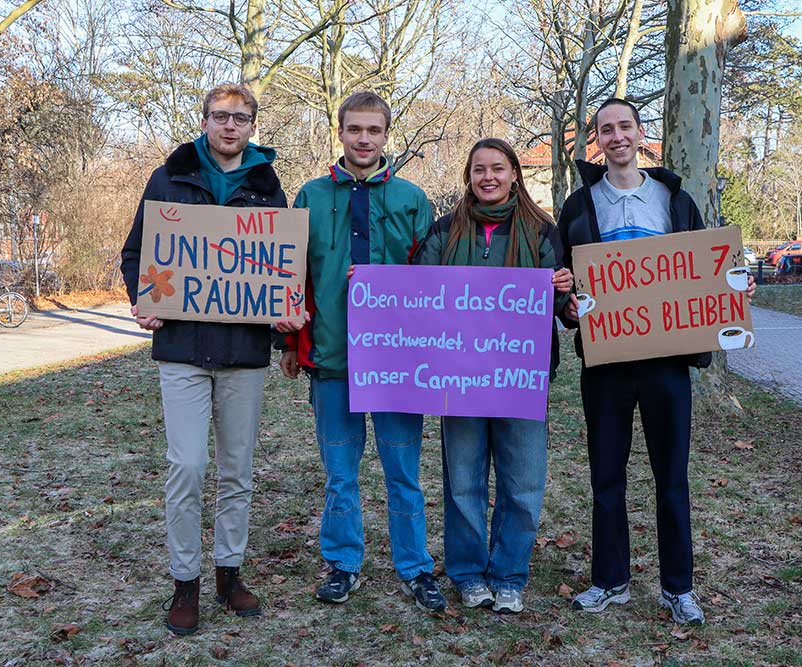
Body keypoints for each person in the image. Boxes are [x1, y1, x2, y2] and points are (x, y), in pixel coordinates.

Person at [557, 98, 755, 626]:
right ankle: (609, 581)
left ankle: (678, 587)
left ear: (641, 134)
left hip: (667, 362)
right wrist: (569, 308)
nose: (616, 136)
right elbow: (564, 283)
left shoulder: (675, 200)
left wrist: (734, 288)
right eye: (606, 129)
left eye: (625, 126)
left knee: (671, 477)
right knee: (606, 477)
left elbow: (706, 272)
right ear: (595, 141)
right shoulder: (578, 207)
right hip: (605, 365)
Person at [121, 83, 288, 635]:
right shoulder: (170, 176)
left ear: (252, 125)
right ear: (206, 121)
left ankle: (229, 573)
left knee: (237, 471)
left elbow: (282, 264)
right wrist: (143, 300)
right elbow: (136, 253)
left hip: (243, 353)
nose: (230, 126)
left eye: (241, 118)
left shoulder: (267, 185)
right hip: (183, 350)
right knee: (187, 466)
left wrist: (285, 312)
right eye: (221, 116)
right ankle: (184, 581)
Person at [276, 92, 445, 612]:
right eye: (355, 130)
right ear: (341, 132)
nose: (364, 139)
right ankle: (343, 563)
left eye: (373, 130)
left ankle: (415, 567)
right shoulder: (309, 195)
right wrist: (288, 341)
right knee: (341, 474)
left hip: (399, 365)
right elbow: (290, 273)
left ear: (386, 135)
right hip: (332, 359)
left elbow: (433, 281)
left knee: (403, 472)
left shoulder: (413, 198)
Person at [414, 138, 573, 614]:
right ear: (469, 176)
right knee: (463, 482)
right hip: (457, 380)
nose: (488, 177)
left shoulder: (543, 232)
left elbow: (564, 310)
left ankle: (508, 574)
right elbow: (417, 295)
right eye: (479, 169)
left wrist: (565, 291)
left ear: (514, 175)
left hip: (520, 380)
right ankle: (467, 573)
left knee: (522, 483)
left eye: (497, 168)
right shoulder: (445, 232)